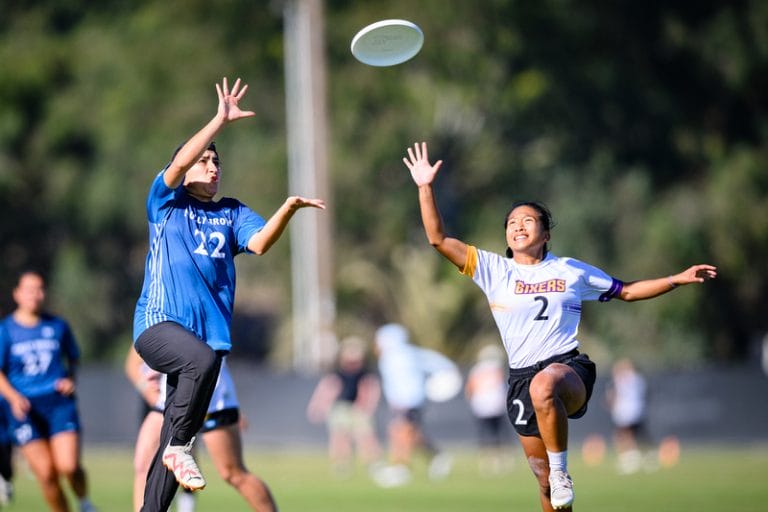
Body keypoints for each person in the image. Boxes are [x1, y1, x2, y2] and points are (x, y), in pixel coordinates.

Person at [401, 141, 717, 511]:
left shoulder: (570, 270)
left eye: (528, 220)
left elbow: (627, 291)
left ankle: (563, 471)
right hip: (520, 379)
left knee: (545, 385)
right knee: (546, 489)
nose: (518, 226)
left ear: (546, 234)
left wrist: (675, 279)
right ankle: (556, 481)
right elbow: (437, 239)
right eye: (512, 223)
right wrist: (425, 186)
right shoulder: (493, 270)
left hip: (569, 371)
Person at [132, 76, 324, 512]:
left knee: (167, 462)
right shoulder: (165, 203)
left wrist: (287, 209)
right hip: (159, 325)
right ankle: (181, 445)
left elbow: (259, 244)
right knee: (182, 432)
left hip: (209, 344)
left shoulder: (232, 212)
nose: (213, 166)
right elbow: (179, 162)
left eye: (217, 161)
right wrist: (219, 120)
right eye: (205, 160)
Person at [125, 346, 276, 512]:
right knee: (143, 464)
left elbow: (210, 348)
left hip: (212, 395)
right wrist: (149, 386)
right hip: (172, 395)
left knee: (233, 474)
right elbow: (134, 358)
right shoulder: (154, 320)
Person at [0, 271, 97, 512]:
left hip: (58, 404)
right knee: (46, 474)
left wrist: (70, 379)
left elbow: (73, 358)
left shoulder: (57, 326)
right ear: (17, 294)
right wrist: (13, 397)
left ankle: (85, 503)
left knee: (69, 466)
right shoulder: (6, 330)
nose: (36, 294)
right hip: (23, 409)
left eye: (40, 289)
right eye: (30, 289)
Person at [371, 323, 455, 487]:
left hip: (410, 401)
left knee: (399, 432)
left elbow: (438, 363)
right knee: (411, 434)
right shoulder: (389, 357)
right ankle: (436, 455)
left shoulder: (405, 354)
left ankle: (400, 468)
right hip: (400, 403)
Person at [306, 336, 382, 477]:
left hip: (359, 409)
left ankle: (373, 463)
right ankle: (341, 464)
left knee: (365, 436)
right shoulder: (337, 373)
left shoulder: (365, 374)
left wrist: (368, 407)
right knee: (340, 437)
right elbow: (326, 389)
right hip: (340, 408)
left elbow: (371, 390)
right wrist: (317, 406)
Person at [465, 344, 514, 476]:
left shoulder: (476, 370)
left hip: (481, 406)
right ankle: (503, 459)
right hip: (496, 406)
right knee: (500, 433)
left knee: (485, 434)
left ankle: (487, 460)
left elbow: (470, 389)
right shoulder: (496, 369)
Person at [606, 358, 649, 474]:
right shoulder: (638, 379)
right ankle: (638, 457)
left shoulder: (623, 379)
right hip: (637, 410)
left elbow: (613, 395)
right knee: (632, 434)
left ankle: (630, 459)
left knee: (623, 435)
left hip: (625, 411)